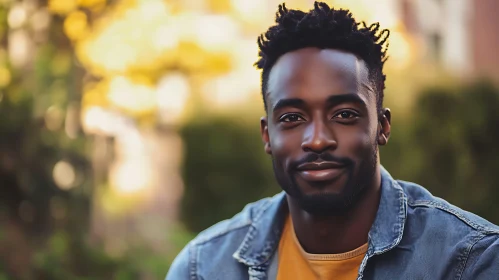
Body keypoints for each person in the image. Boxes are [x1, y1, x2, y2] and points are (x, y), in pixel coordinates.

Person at [166, 2, 499, 279]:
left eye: (344, 115)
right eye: (292, 118)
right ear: (267, 136)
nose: (318, 140)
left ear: (382, 126)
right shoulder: (203, 269)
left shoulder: (470, 261)